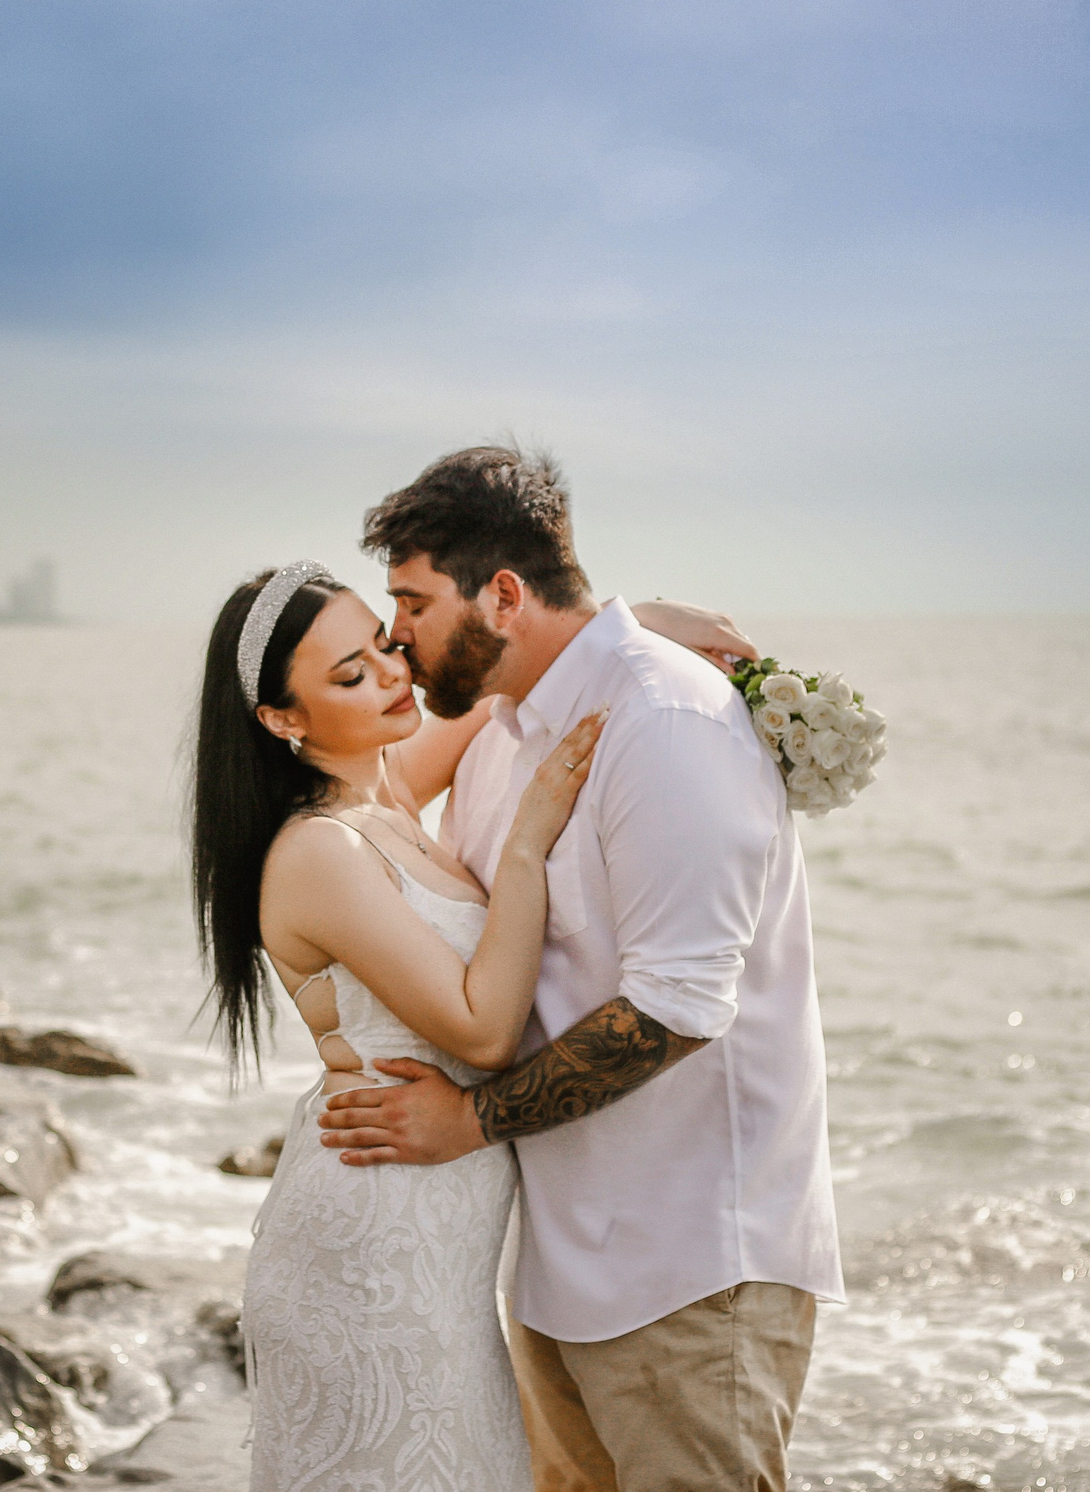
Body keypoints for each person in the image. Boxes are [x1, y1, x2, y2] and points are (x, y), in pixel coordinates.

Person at [318, 444, 844, 1492]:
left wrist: (468, 1122)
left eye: (413, 603)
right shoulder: (505, 731)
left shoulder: (668, 724)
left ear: (503, 595)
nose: (395, 634)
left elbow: (674, 1008)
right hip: (557, 1266)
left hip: (690, 1272)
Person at [192, 558, 747, 1491]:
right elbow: (484, 1031)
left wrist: (635, 622)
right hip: (370, 1240)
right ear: (283, 720)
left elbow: (518, 677)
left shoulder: (386, 790)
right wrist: (526, 843)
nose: (392, 673)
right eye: (351, 674)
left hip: (441, 1243)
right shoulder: (318, 850)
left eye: (383, 644)